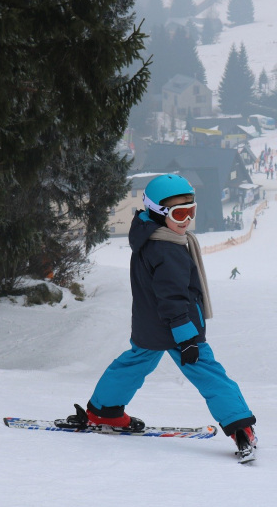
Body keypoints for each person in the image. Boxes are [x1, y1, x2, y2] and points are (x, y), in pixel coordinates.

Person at [78, 174, 256, 454]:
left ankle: (105, 410)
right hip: (177, 327)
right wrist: (186, 338)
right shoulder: (167, 249)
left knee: (134, 364)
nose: (186, 219)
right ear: (159, 213)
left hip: (150, 324)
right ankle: (239, 425)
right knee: (209, 373)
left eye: (191, 210)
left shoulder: (148, 236)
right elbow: (172, 298)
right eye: (179, 213)